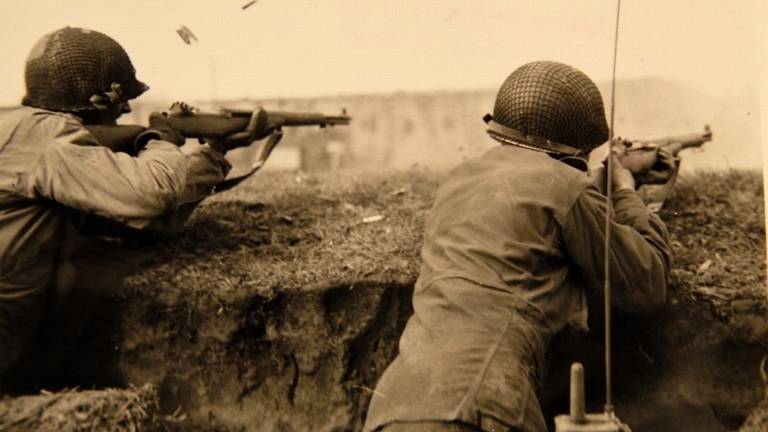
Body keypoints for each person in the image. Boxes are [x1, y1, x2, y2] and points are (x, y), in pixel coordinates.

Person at [363, 61, 672, 432]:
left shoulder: (458, 180)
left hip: (395, 407)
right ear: (574, 150)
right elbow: (646, 281)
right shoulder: (565, 185)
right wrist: (624, 189)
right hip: (481, 406)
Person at [0, 27, 267, 392]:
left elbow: (146, 217)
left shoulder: (24, 131)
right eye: (120, 99)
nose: (126, 108)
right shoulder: (52, 144)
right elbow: (151, 195)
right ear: (96, 101)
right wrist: (160, 138)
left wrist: (214, 153)